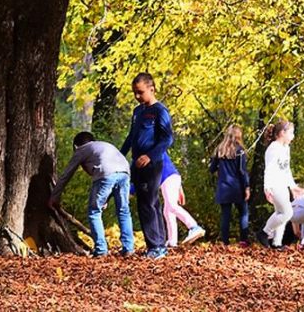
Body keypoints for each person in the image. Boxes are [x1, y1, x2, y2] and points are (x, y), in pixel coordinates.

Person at [49, 131, 135, 257]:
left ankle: (101, 249)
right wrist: (105, 199)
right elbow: (114, 174)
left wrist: (54, 197)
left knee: (94, 212)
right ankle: (128, 248)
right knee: (123, 211)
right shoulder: (103, 146)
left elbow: (66, 175)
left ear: (75, 146)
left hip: (105, 173)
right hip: (125, 171)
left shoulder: (81, 150)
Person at [120, 72, 174, 260]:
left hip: (152, 164)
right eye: (135, 93)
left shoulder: (160, 111)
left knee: (148, 203)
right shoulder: (138, 112)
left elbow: (167, 138)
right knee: (146, 202)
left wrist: (150, 156)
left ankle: (157, 246)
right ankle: (158, 243)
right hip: (136, 163)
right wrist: (120, 156)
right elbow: (131, 136)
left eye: (140, 92)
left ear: (151, 89)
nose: (137, 96)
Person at [256, 119, 297, 249]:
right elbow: (269, 169)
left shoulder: (286, 148)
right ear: (282, 133)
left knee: (280, 213)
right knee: (287, 213)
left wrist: (293, 186)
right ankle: (264, 232)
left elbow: (286, 169)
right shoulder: (273, 148)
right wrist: (267, 187)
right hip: (275, 185)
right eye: (291, 133)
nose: (293, 136)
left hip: (283, 185)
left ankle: (276, 243)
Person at [209, 124, 251, 244]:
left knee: (225, 215)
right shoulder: (240, 151)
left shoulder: (220, 150)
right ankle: (243, 240)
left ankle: (225, 242)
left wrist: (217, 167)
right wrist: (247, 186)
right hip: (237, 187)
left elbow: (212, 169)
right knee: (243, 213)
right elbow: (242, 171)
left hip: (224, 187)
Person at [159, 153, 205, 247]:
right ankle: (172, 241)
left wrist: (131, 190)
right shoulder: (158, 147)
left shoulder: (153, 148)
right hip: (173, 178)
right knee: (167, 211)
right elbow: (170, 166)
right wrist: (180, 188)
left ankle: (194, 227)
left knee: (172, 206)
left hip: (167, 179)